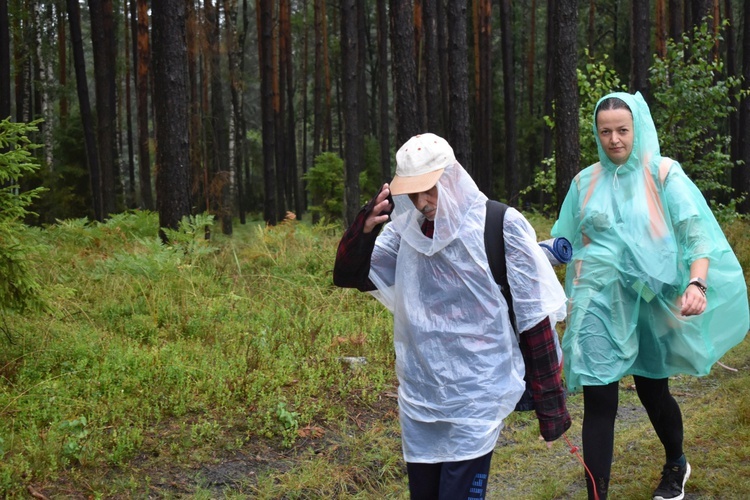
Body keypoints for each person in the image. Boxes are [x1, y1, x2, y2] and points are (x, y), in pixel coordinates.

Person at [333, 132, 571, 499]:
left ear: (451, 176)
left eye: (430, 189)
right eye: (412, 192)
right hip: (421, 395)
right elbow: (352, 276)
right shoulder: (406, 233)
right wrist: (362, 230)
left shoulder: (500, 226)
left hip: (477, 393)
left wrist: (551, 411)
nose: (422, 202)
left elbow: (534, 321)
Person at [552, 91, 749, 500]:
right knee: (599, 396)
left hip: (651, 301)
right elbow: (562, 239)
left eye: (622, 130)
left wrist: (697, 283)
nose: (614, 140)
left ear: (637, 129)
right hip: (599, 305)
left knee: (652, 390)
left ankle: (676, 462)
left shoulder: (662, 174)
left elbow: (695, 234)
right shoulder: (584, 182)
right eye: (605, 132)